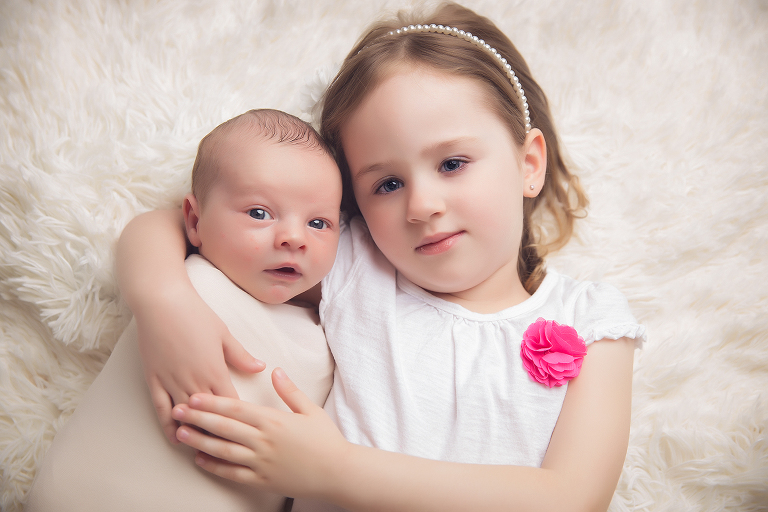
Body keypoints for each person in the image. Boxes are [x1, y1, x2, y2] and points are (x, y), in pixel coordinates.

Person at [116, 3, 646, 511]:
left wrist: (334, 469)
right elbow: (177, 224)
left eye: (453, 163)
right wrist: (161, 298)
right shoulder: (356, 267)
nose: (421, 205)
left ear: (528, 164)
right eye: (387, 183)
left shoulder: (591, 321)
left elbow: (571, 498)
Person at [24, 109, 340, 512]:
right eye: (259, 213)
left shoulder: (331, 330)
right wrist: (164, 300)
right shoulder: (183, 274)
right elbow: (148, 228)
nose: (294, 238)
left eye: (319, 223)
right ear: (195, 220)